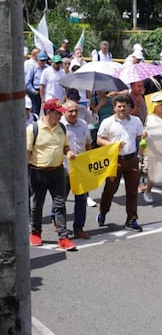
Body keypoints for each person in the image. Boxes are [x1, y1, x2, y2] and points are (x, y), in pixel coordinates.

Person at [27, 99, 76, 251]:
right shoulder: (33, 129)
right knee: (37, 205)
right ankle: (35, 233)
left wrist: (68, 152)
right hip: (37, 172)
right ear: (49, 112)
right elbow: (27, 153)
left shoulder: (61, 127)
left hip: (57, 172)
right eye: (58, 113)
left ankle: (63, 237)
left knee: (60, 205)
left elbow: (65, 146)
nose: (61, 116)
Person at [96, 95, 145, 232]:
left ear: (130, 107)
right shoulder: (108, 122)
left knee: (132, 191)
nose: (122, 109)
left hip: (132, 159)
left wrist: (140, 156)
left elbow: (141, 138)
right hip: (114, 160)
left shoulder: (136, 121)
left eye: (125, 106)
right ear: (114, 107)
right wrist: (113, 145)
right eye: (119, 106)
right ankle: (103, 212)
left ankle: (132, 219)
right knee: (110, 189)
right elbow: (99, 140)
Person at [60, 100, 94, 239]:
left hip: (81, 168)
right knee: (60, 199)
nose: (74, 114)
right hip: (63, 168)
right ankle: (59, 224)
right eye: (70, 111)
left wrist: (89, 164)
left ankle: (78, 228)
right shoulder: (59, 125)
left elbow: (88, 144)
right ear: (64, 111)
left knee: (81, 200)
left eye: (76, 111)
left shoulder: (83, 124)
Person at [26, 51, 47, 115]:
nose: (43, 62)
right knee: (35, 110)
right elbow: (27, 81)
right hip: (36, 91)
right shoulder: (33, 67)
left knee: (47, 109)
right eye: (41, 60)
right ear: (37, 60)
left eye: (44, 60)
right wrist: (33, 90)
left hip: (46, 91)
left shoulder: (48, 68)